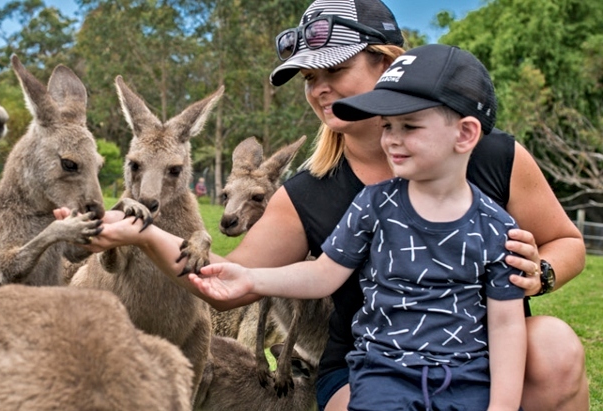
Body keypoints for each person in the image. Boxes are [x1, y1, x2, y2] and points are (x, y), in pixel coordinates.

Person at [69, 0, 589, 409]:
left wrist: (538, 272)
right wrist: (143, 234)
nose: (318, 90)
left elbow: (567, 243)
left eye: (332, 71)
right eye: (309, 79)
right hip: (376, 364)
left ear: (387, 66)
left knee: (555, 347)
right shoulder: (312, 192)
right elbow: (227, 280)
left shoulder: (489, 153)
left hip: (480, 349)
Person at [189, 43, 527, 411]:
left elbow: (506, 324)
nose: (392, 139)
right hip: (385, 377)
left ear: (464, 135)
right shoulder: (373, 204)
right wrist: (253, 279)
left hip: (465, 377)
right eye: (387, 126)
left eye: (408, 126)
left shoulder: (495, 225)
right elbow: (323, 274)